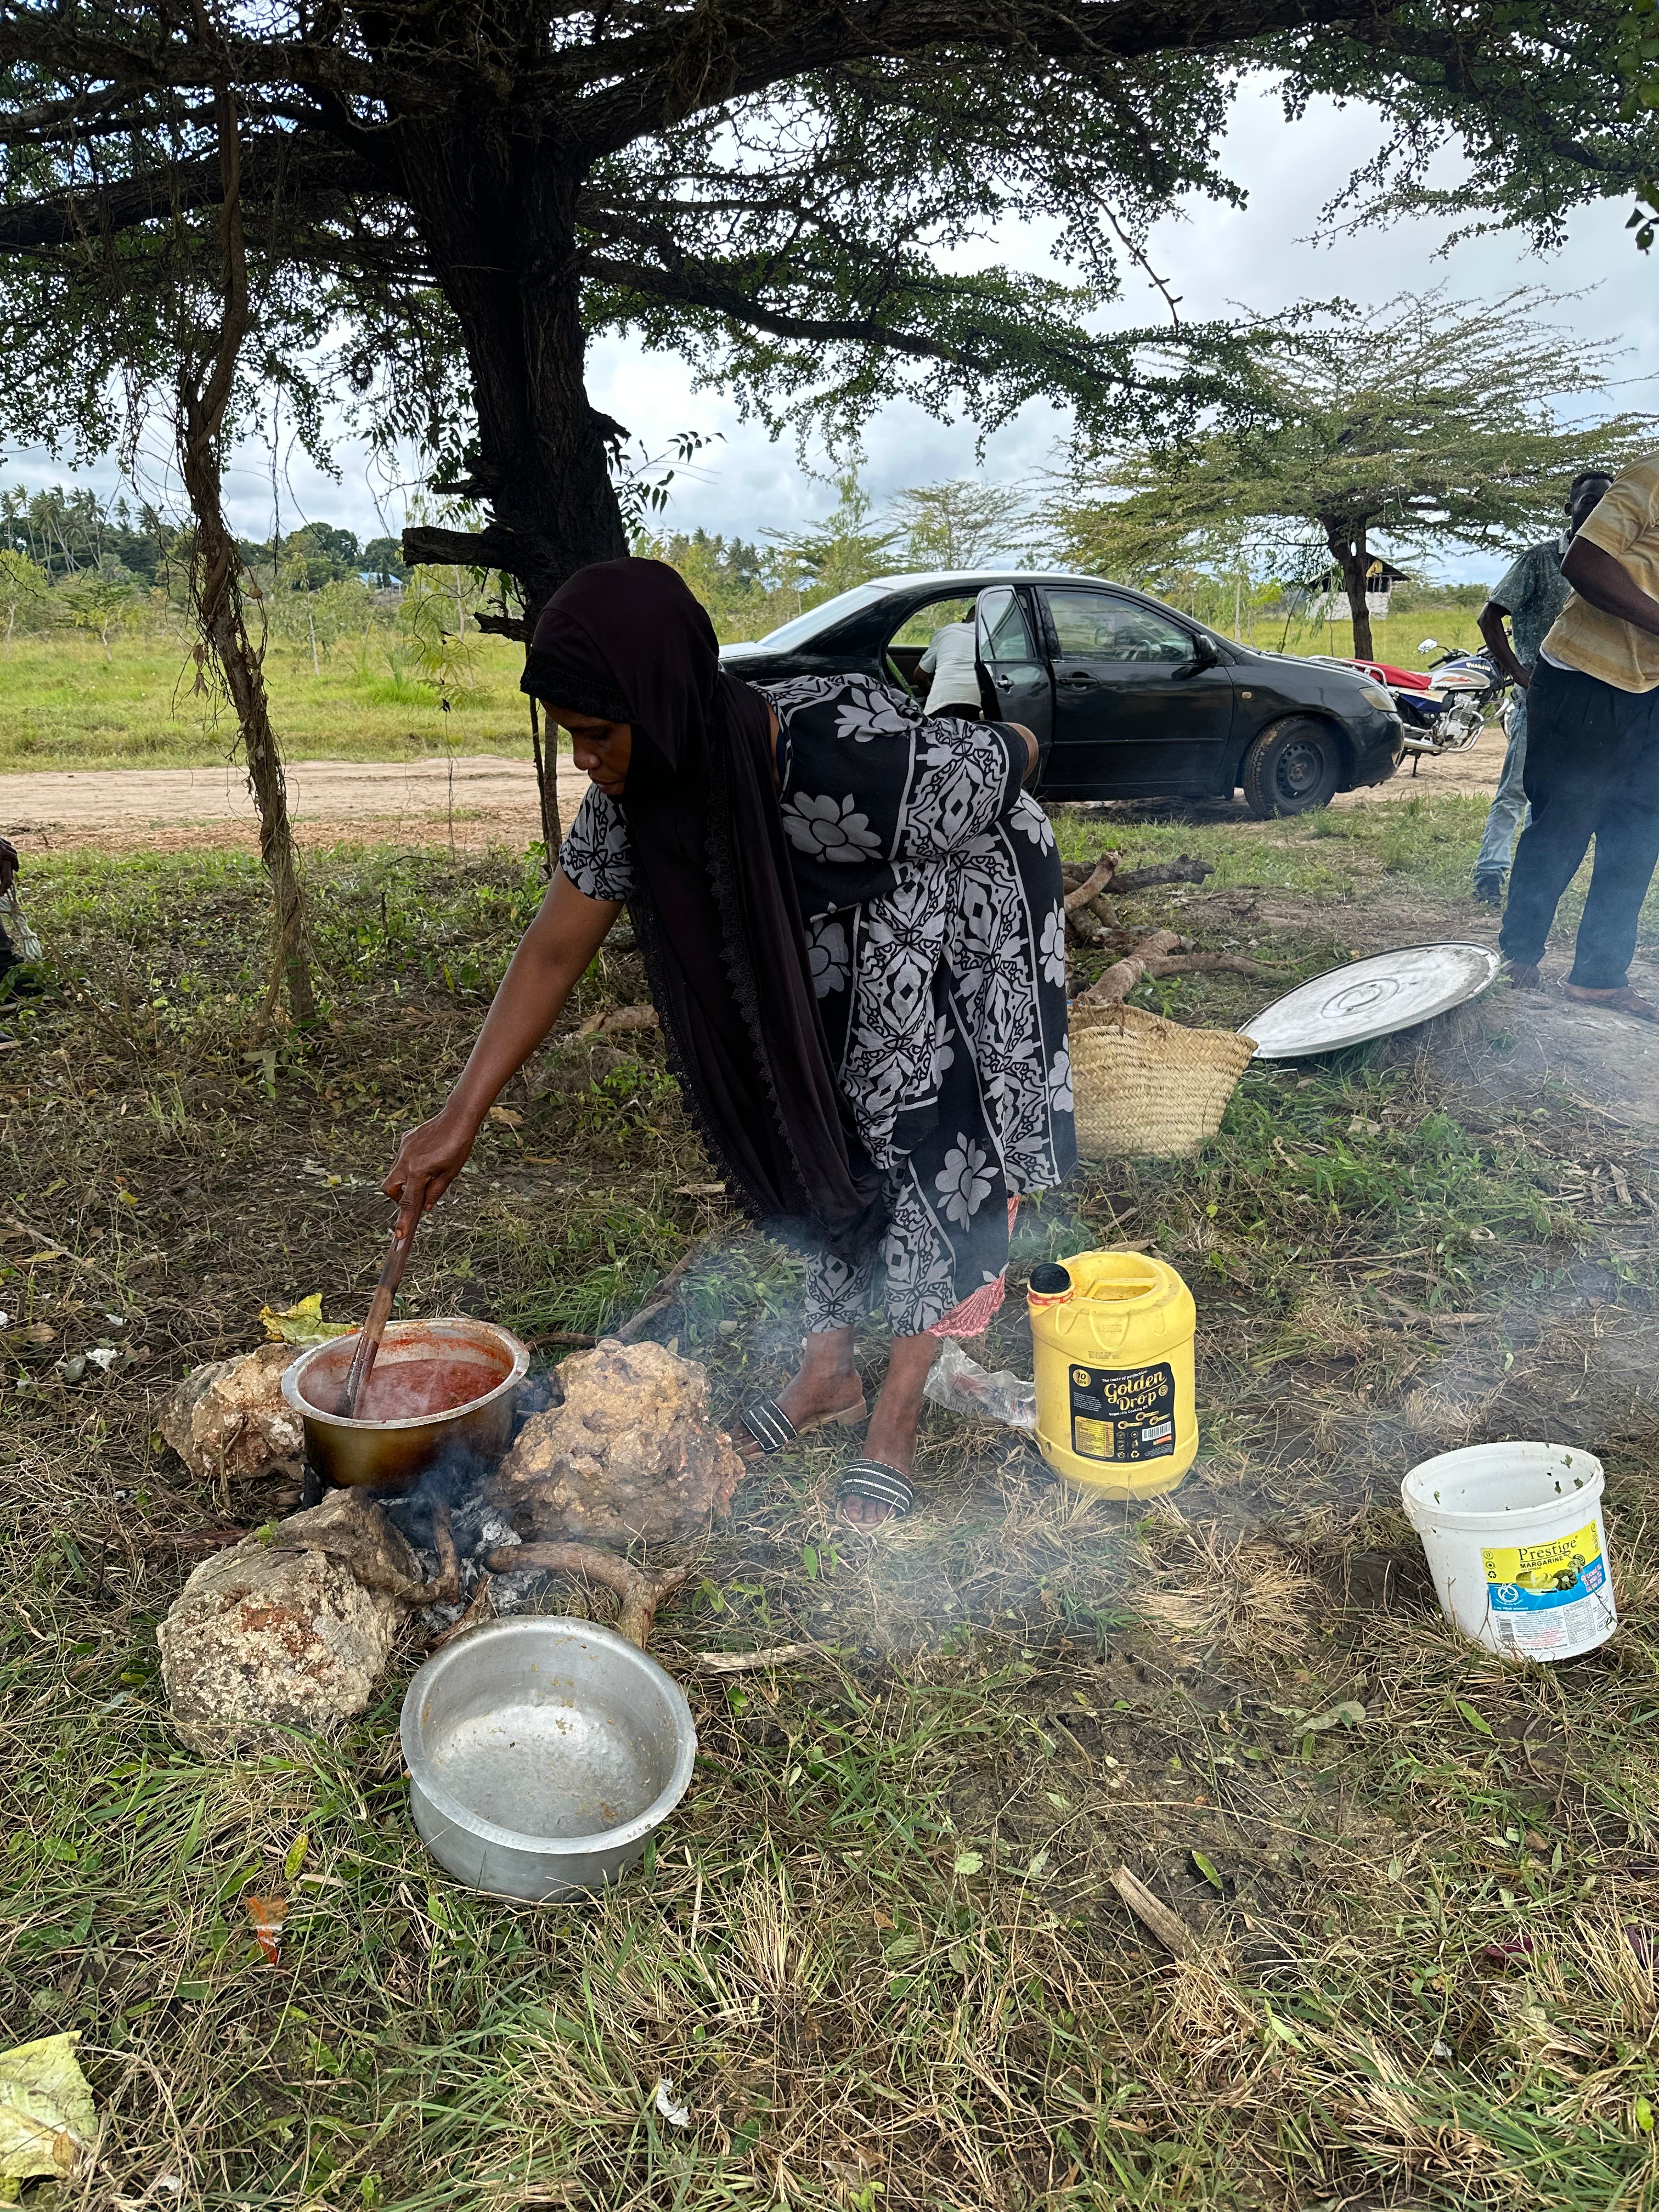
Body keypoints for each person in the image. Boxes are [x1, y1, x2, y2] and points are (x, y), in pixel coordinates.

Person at [384, 560, 1075, 1527]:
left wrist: (991, 734)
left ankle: (895, 1416)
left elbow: (1015, 753)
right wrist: (459, 1114)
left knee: (924, 1151)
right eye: (570, 736)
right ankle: (826, 1371)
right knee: (813, 1136)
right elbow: (553, 941)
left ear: (658, 703)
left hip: (958, 927)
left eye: (593, 733)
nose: (583, 759)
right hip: (824, 952)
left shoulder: (842, 756)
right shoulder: (646, 777)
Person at [1500, 450, 1659, 1018]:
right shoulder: (1652, 476)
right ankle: (1517, 959)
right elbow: (1586, 563)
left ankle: (1599, 976)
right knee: (1564, 823)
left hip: (1652, 692)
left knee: (1638, 837)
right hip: (1584, 679)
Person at [1472, 470, 1613, 904]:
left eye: (1605, 502)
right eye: (1588, 500)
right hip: (1542, 696)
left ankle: (1533, 882)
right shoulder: (1542, 560)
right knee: (1517, 787)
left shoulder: (1613, 562)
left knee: (1557, 795)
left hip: (1590, 698)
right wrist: (1519, 672)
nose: (1595, 509)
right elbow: (1489, 617)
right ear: (1569, 508)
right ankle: (1491, 873)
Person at [916, 616, 981, 716]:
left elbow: (920, 675)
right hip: (981, 702)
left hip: (943, 703)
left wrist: (930, 692)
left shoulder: (946, 631)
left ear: (963, 622)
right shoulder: (993, 635)